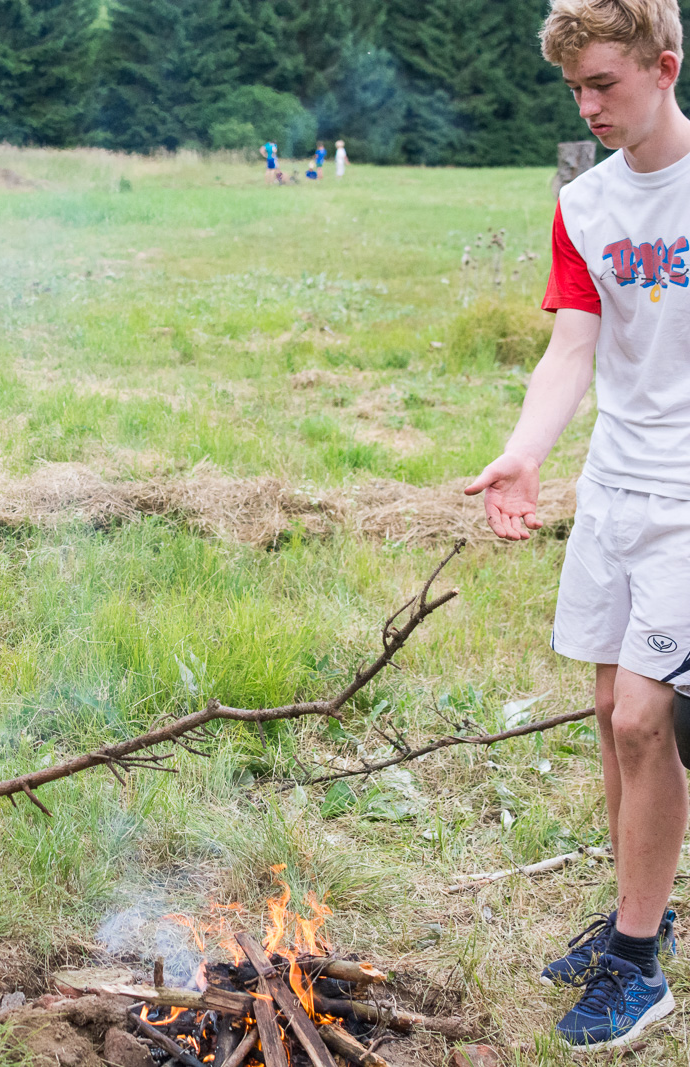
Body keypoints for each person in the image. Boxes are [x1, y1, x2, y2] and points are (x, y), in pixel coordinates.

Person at [465, 0, 690, 1051]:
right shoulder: (585, 204)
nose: (587, 106)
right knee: (608, 711)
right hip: (613, 489)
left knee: (646, 719)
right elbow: (571, 349)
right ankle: (641, 912)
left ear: (664, 67)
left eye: (604, 83)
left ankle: (636, 965)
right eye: (574, 90)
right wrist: (525, 453)